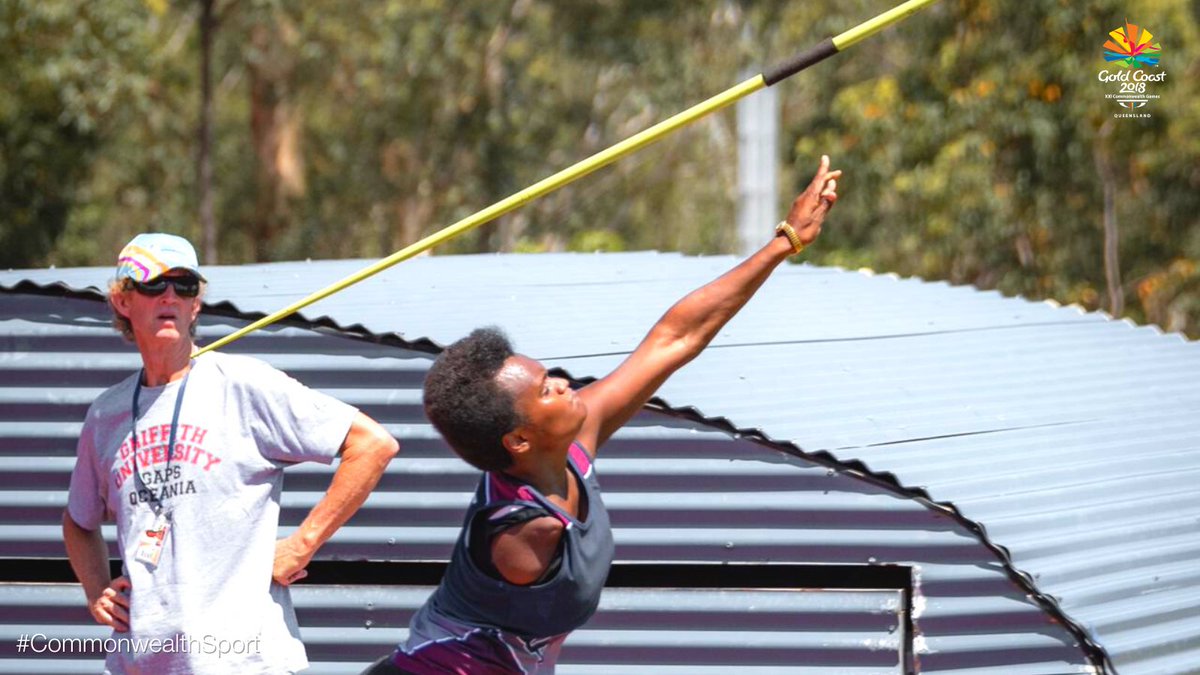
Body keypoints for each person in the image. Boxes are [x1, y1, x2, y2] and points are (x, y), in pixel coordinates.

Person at [364, 156, 842, 674]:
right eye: (546, 390)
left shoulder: (570, 445)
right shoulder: (525, 533)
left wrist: (785, 242)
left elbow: (674, 338)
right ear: (519, 440)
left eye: (551, 376)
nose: (563, 384)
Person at [62, 232, 400, 674]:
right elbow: (78, 521)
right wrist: (97, 592)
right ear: (122, 301)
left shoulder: (242, 384)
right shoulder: (106, 413)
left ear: (195, 305)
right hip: (140, 662)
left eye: (184, 286)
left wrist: (302, 545)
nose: (170, 296)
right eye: (154, 284)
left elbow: (372, 444)